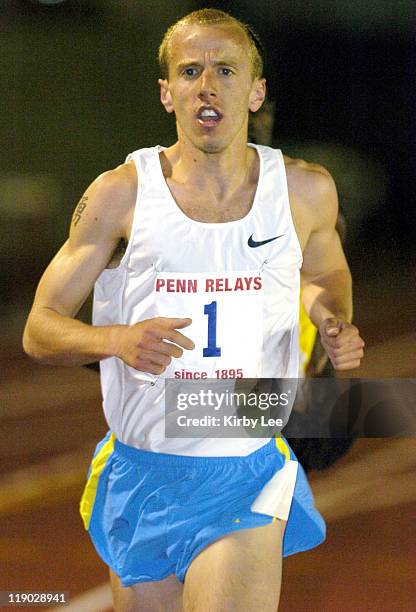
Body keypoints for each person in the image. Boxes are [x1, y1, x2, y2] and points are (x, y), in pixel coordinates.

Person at [23, 9, 365, 611]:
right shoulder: (120, 195)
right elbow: (39, 328)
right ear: (167, 92)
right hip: (140, 474)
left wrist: (331, 316)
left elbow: (324, 272)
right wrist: (116, 340)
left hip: (245, 474)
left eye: (225, 69)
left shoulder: (305, 190)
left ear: (255, 92)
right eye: (190, 70)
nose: (207, 83)